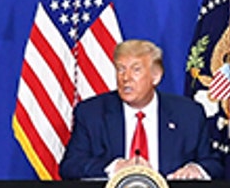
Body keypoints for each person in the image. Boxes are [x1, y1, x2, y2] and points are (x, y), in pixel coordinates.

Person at [60, 39, 221, 180]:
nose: (125, 78)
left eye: (136, 70)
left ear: (155, 76)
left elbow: (214, 164)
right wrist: (114, 168)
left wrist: (197, 170)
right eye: (121, 69)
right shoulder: (92, 113)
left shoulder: (188, 114)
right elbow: (70, 166)